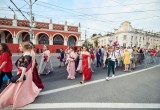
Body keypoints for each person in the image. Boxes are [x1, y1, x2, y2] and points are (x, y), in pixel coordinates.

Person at [0, 42, 40, 109]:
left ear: (24, 47)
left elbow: (24, 67)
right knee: (23, 86)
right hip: (26, 72)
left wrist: (21, 76)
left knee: (19, 87)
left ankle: (17, 99)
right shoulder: (26, 54)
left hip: (24, 72)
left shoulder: (27, 55)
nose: (19, 47)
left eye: (20, 46)